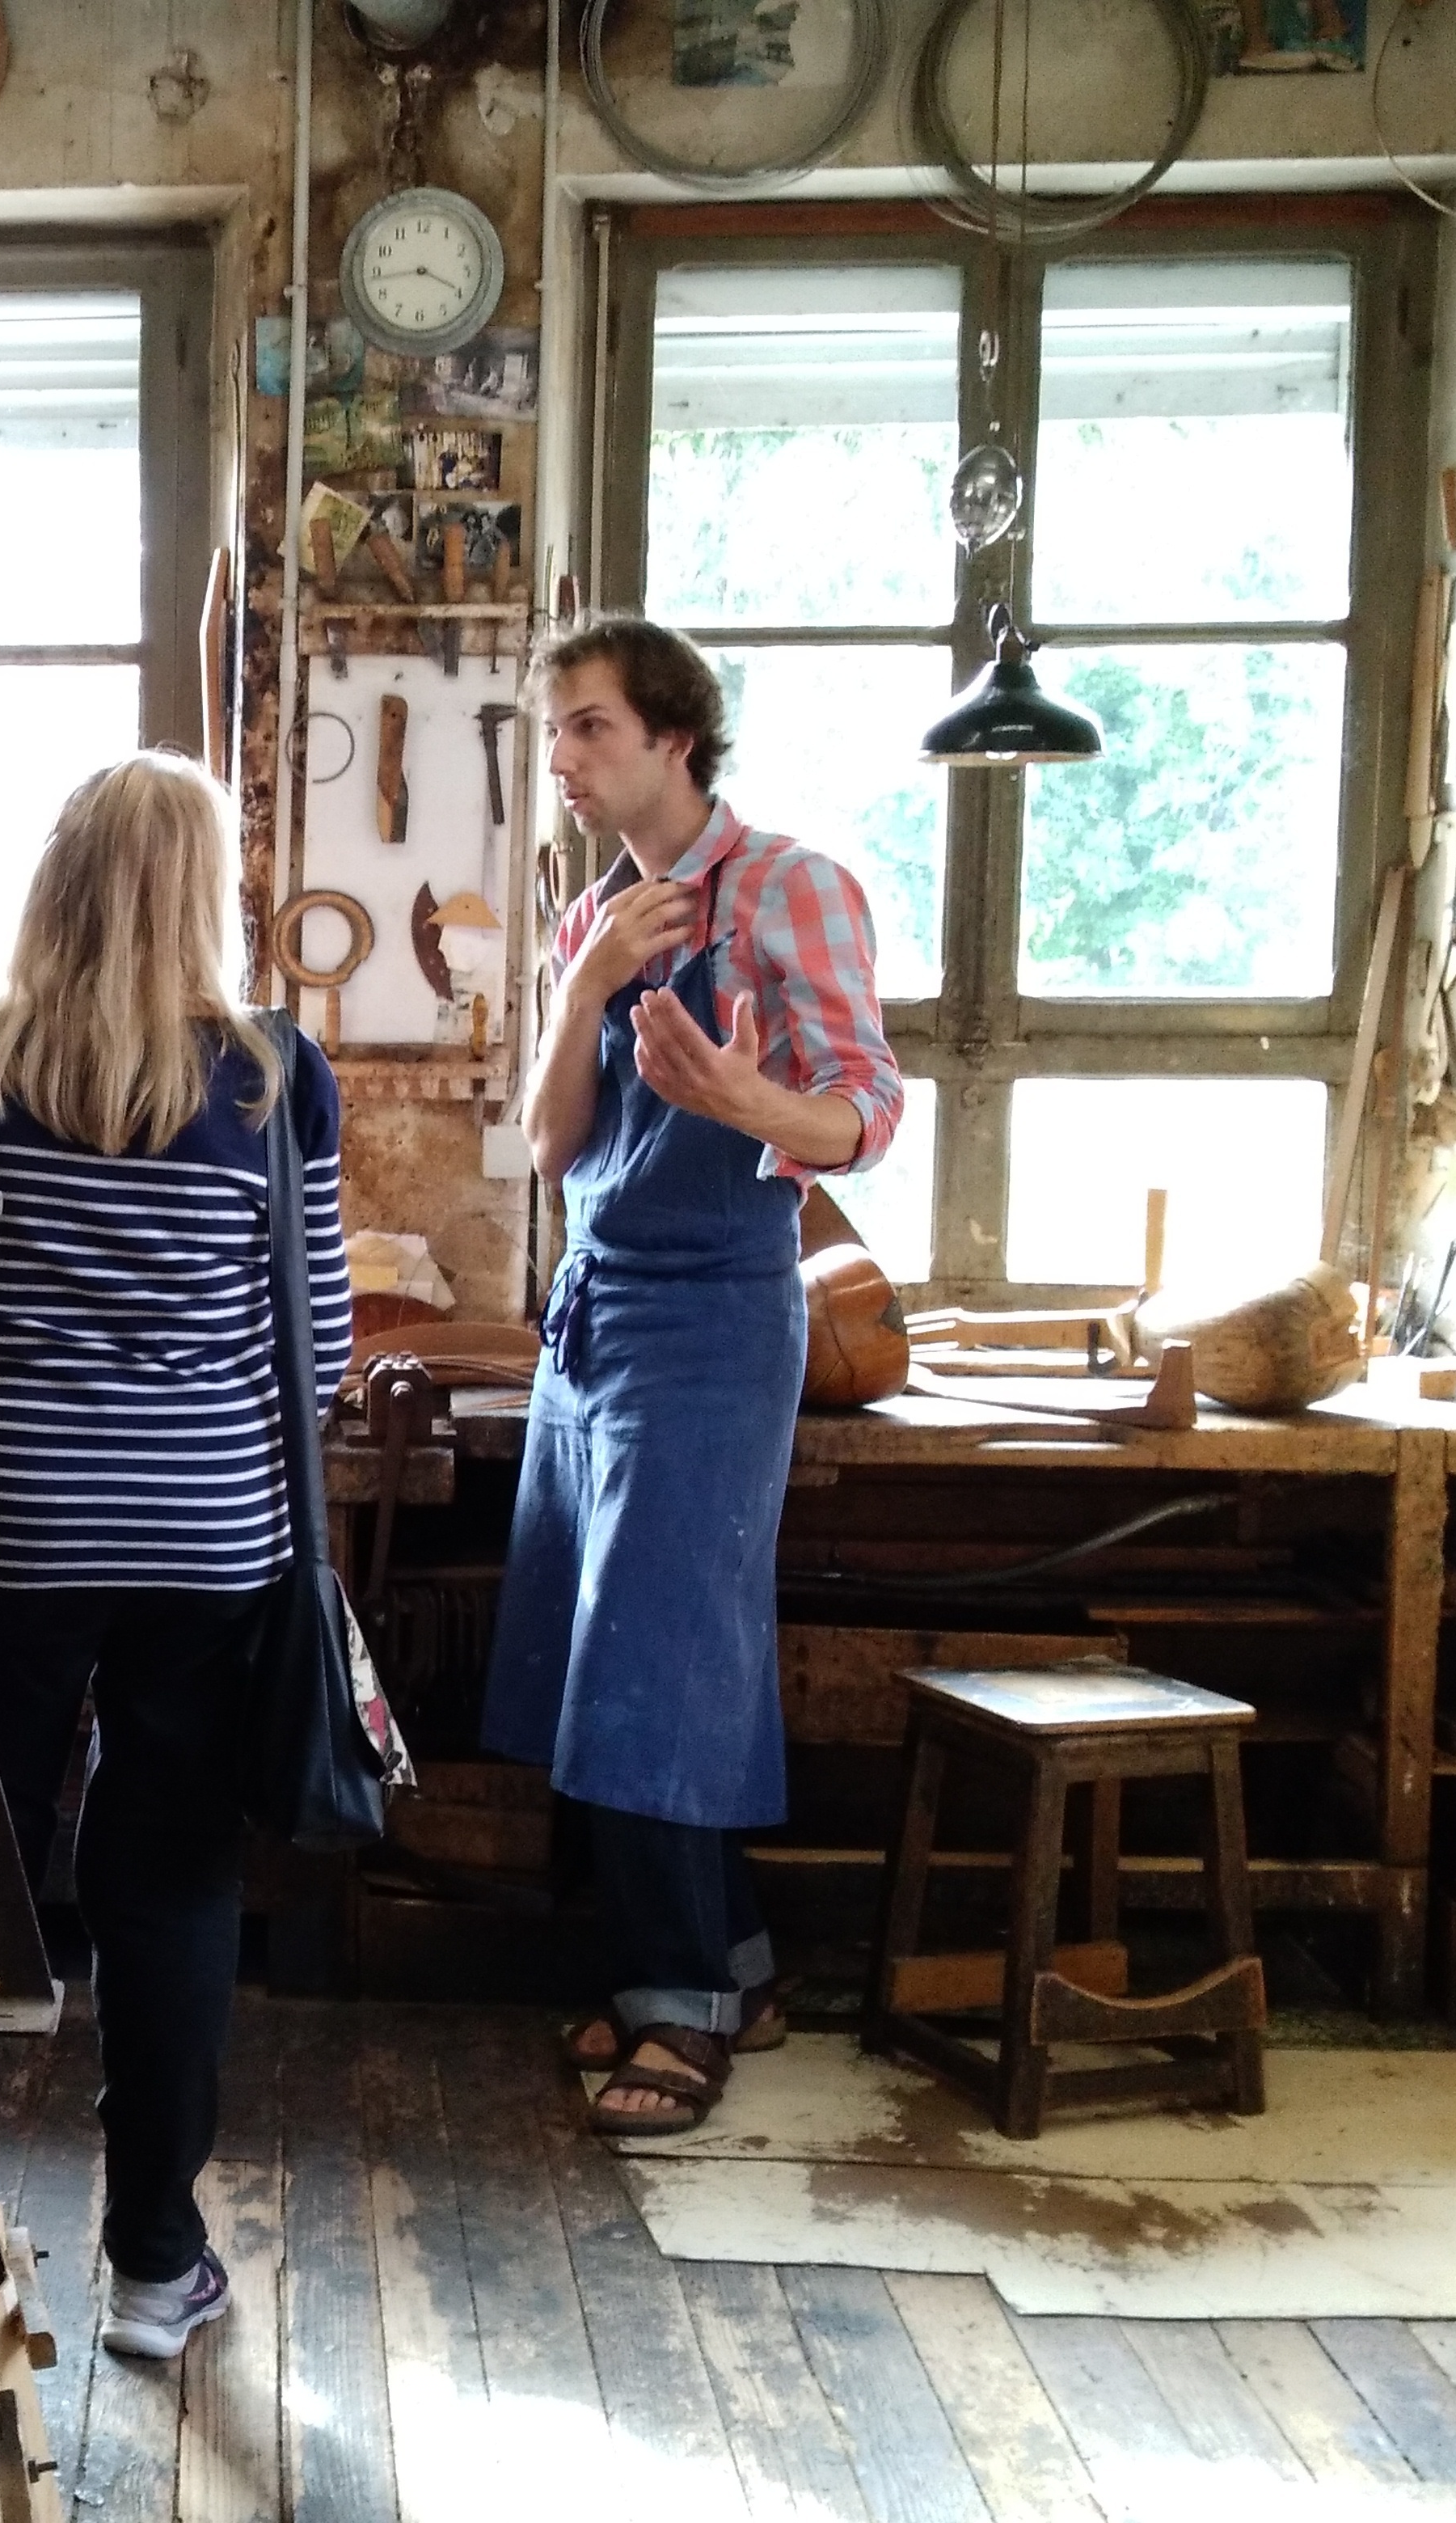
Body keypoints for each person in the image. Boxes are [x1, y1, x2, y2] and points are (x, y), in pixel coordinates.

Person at [0, 752, 348, 2362]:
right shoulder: (273, 1078)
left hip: (1, 1524)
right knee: (170, 1889)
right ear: (203, 891)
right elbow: (319, 1341)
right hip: (207, 1534)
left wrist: (31, 1388)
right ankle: (154, 2270)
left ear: (56, 874)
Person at [480, 616, 902, 2137]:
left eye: (588, 726)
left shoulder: (791, 885)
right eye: (556, 733)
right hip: (595, 1312)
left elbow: (865, 1111)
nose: (567, 758)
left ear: (674, 735)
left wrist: (741, 1094)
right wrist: (586, 985)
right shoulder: (592, 909)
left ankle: (678, 2014)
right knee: (602, 1651)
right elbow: (550, 1144)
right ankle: (735, 1964)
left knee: (656, 1655)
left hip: (721, 1312)